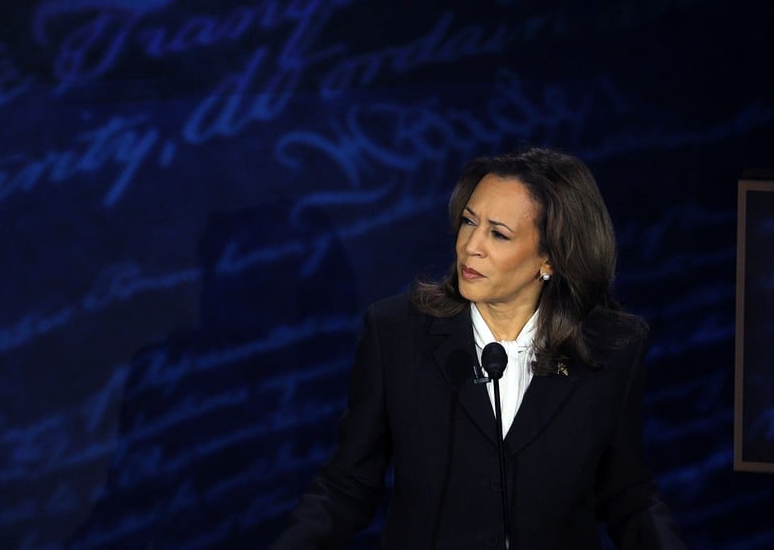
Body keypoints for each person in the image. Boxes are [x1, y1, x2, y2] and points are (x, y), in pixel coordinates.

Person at [273, 147, 686, 549]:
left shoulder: (610, 350)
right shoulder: (396, 334)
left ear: (550, 258)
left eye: (498, 234)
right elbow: (348, 486)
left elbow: (626, 494)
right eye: (469, 222)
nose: (472, 246)